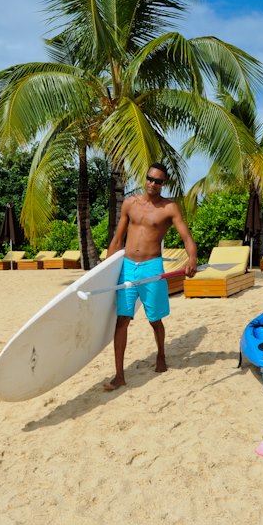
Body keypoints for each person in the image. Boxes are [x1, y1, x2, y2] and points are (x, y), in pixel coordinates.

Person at [104, 162, 198, 391]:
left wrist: (192, 259)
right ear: (144, 178)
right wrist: (105, 271)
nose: (153, 184)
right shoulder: (129, 204)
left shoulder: (169, 208)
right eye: (150, 178)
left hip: (152, 267)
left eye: (158, 181)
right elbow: (117, 240)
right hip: (127, 267)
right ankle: (119, 375)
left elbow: (186, 237)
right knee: (122, 320)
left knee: (154, 319)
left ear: (163, 184)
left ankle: (161, 355)